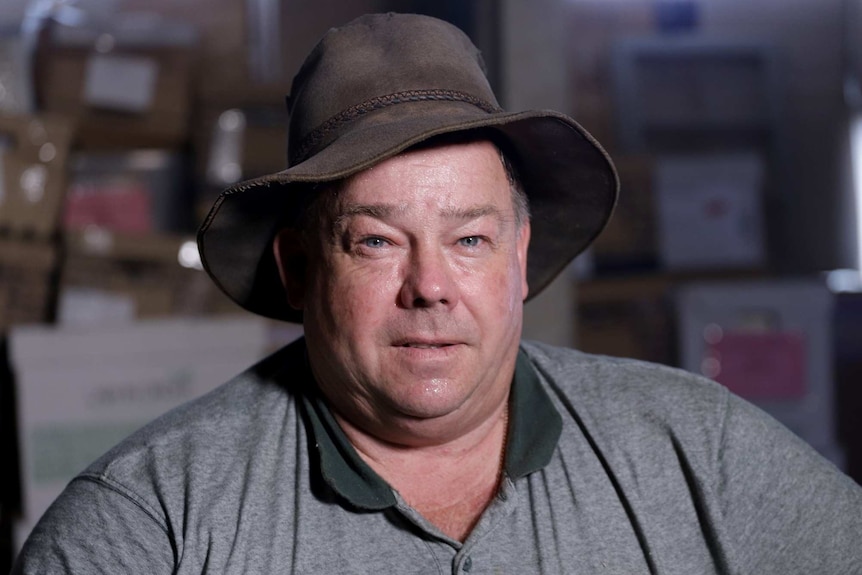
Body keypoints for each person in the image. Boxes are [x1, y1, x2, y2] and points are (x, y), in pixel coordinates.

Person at [13, 12, 862, 574]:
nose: (430, 288)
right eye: (377, 240)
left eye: (469, 240)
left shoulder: (701, 453)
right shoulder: (149, 523)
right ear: (301, 268)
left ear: (519, 260)